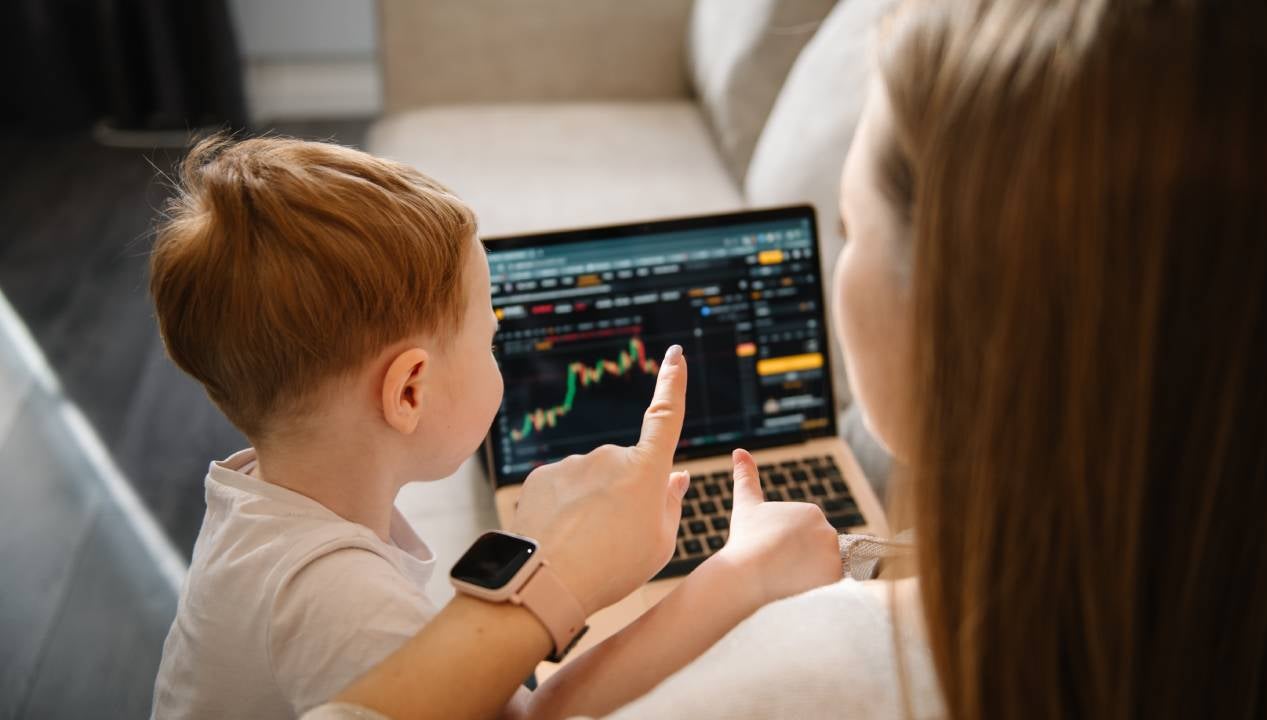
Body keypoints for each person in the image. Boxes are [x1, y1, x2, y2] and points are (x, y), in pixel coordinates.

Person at [310, 0, 1267, 717]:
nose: (837, 260)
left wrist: (547, 583)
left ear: (964, 322)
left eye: (849, 227)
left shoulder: (819, 670)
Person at [147, 136, 840, 719]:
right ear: (409, 391)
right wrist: (740, 575)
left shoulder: (265, 505)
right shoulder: (337, 605)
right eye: (489, 338)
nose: (497, 351)